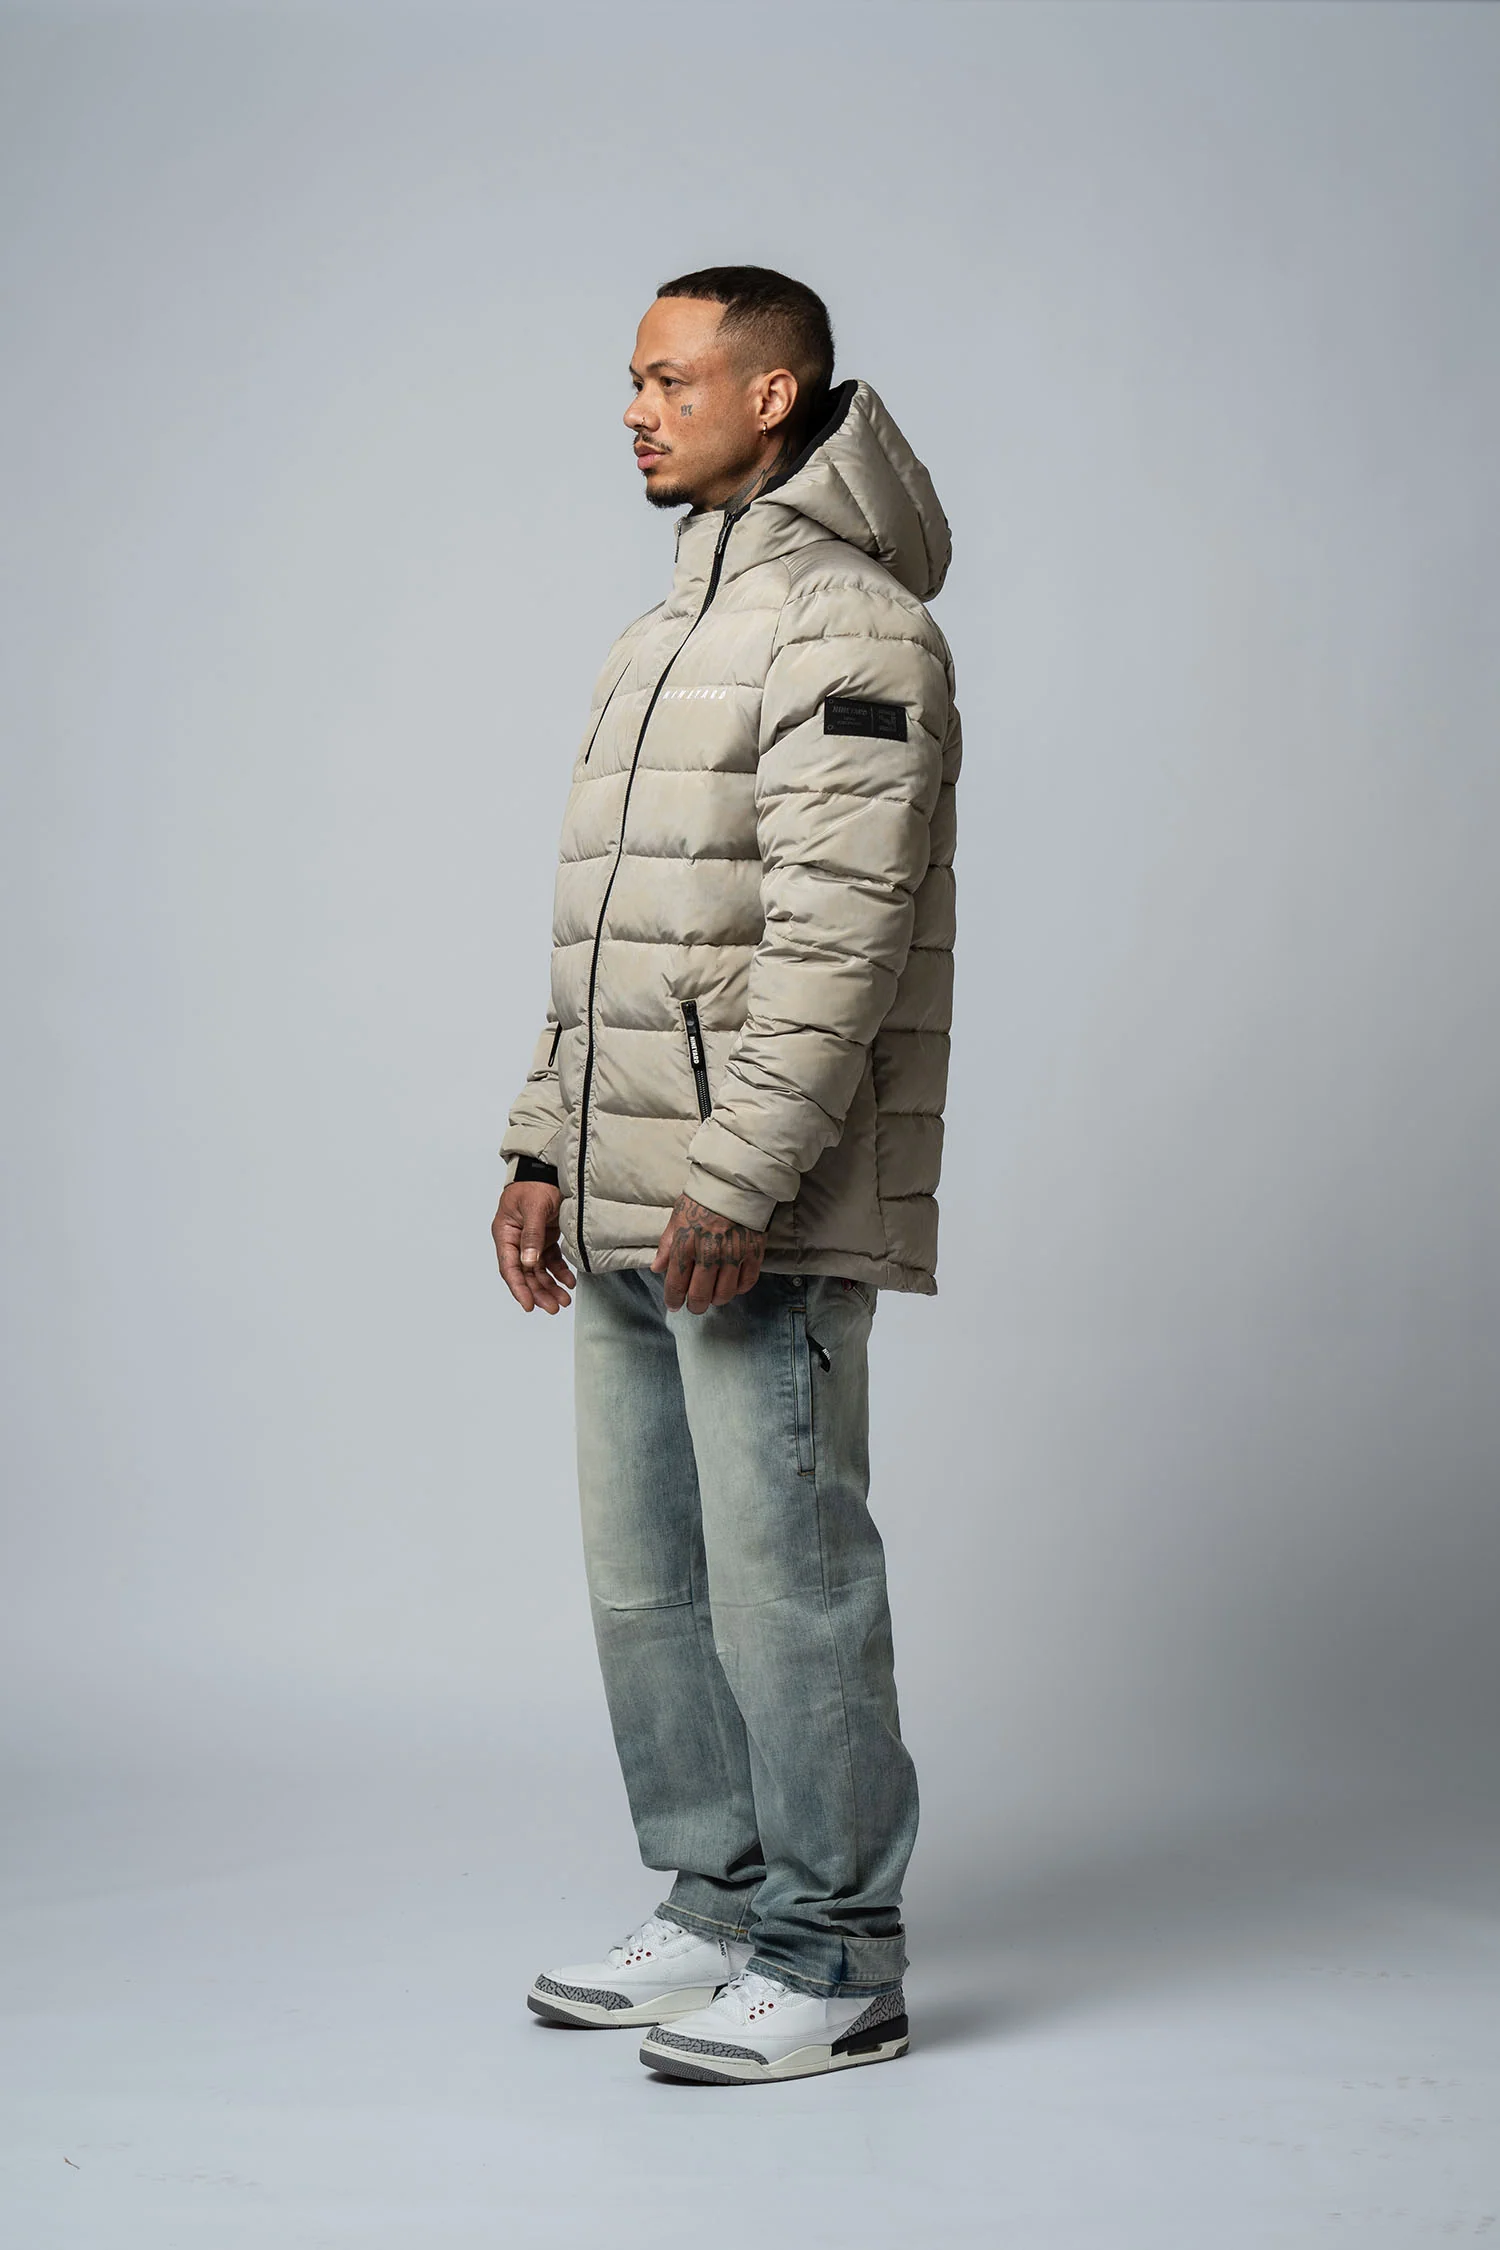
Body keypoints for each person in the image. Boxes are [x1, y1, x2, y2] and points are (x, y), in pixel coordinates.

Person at [491, 266, 961, 2085]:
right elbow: (606, 942)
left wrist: (744, 1173)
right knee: (652, 1579)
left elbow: (840, 942)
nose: (635, 408)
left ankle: (838, 1952)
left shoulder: (856, 631)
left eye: (669, 379)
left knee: (786, 1582)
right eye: (632, 379)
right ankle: (718, 1898)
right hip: (626, 1184)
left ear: (773, 396)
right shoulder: (663, 632)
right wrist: (541, 1138)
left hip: (749, 1200)